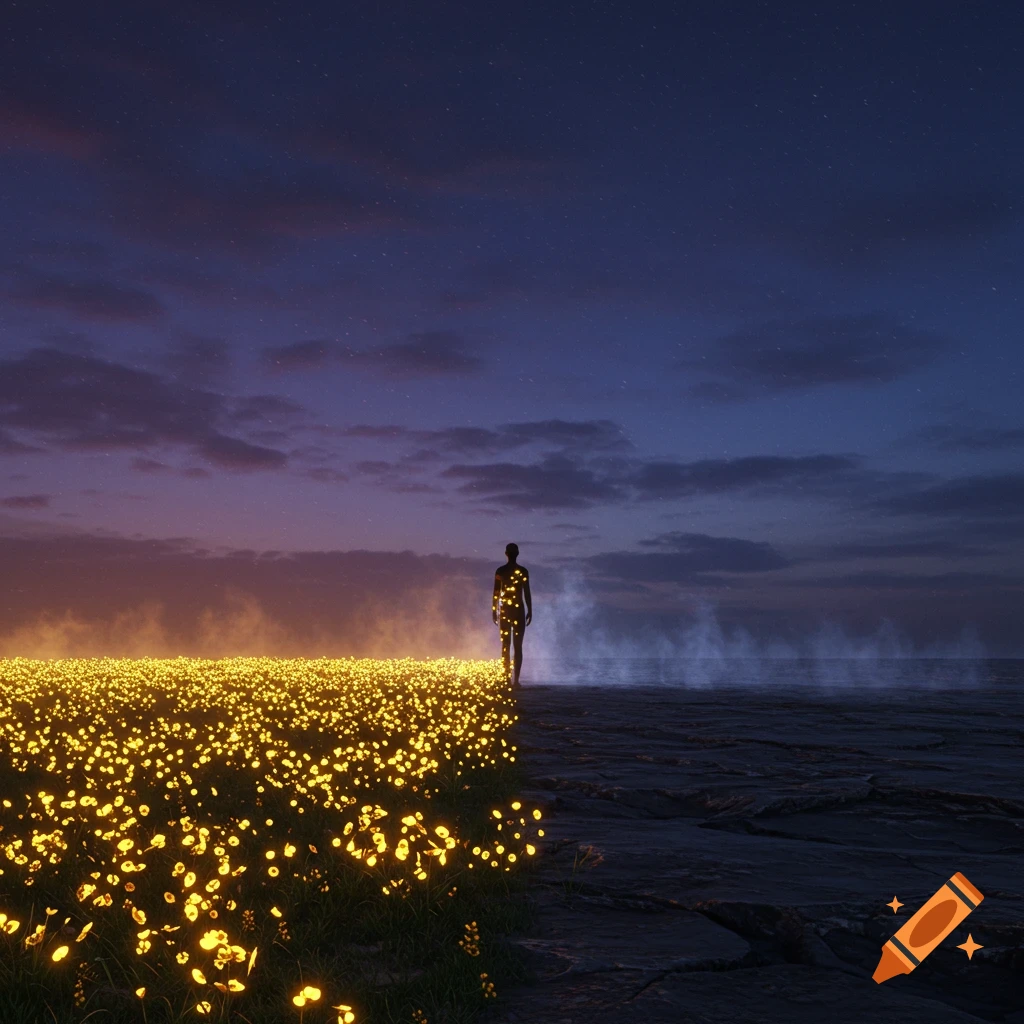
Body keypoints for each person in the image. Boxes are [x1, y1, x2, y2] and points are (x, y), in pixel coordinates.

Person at [492, 543, 531, 688]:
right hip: (517, 610)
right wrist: (530, 609)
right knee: (517, 646)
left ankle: (508, 679)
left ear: (506, 554)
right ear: (517, 554)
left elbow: (496, 593)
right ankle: (514, 681)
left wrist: (494, 610)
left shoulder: (501, 571)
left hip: (506, 610)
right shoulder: (522, 571)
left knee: (506, 646)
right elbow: (526, 592)